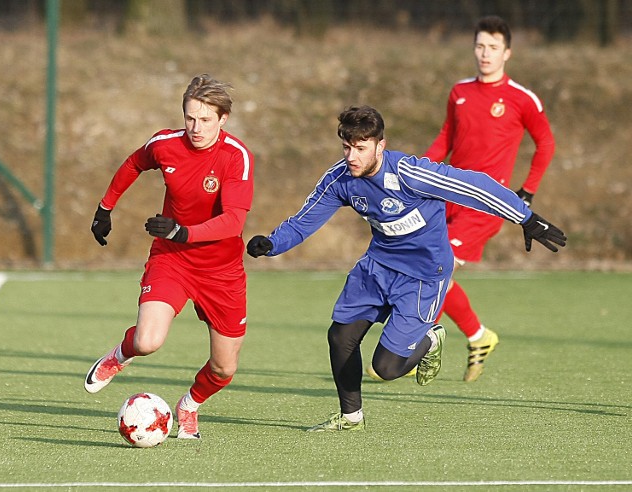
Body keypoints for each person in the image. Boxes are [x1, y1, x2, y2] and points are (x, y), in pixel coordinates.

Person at [246, 105, 565, 431]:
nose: (352, 156)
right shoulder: (341, 178)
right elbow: (305, 219)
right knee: (340, 336)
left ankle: (430, 338)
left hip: (424, 276)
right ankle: (351, 417)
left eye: (360, 148)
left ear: (379, 145)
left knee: (386, 368)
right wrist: (273, 244)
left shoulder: (411, 174)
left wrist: (526, 218)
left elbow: (475, 186)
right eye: (346, 147)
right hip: (377, 267)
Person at [85, 74, 254, 440]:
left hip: (221, 270)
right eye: (190, 118)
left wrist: (185, 232)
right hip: (172, 259)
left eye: (206, 120)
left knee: (224, 369)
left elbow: (234, 220)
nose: (196, 128)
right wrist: (105, 208)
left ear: (223, 119)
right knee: (147, 341)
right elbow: (134, 163)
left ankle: (190, 405)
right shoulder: (165, 144)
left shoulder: (235, 157)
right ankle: (119, 355)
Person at [422, 15, 556, 382]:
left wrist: (527, 189)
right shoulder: (459, 91)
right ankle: (479, 336)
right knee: (430, 269)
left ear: (507, 53)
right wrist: (417, 172)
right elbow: (446, 139)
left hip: (484, 205)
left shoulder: (521, 98)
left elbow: (545, 143)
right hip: (447, 197)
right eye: (480, 45)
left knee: (438, 267)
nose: (485, 53)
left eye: (493, 47)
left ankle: (414, 348)